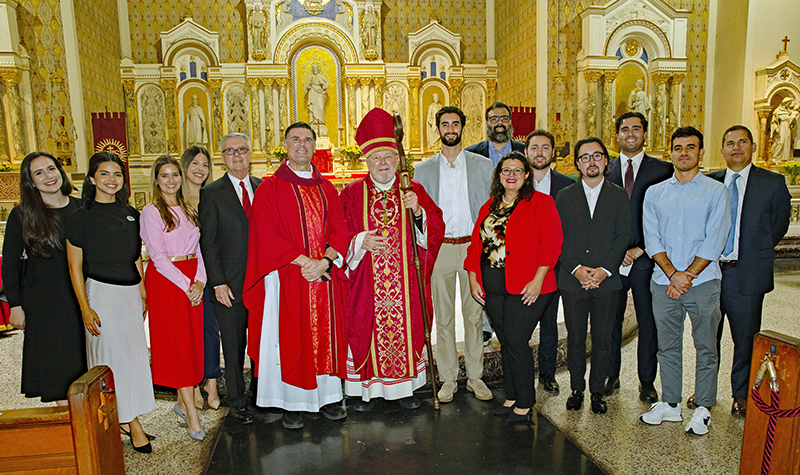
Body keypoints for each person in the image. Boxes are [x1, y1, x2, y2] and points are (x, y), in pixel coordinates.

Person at [243, 122, 349, 430]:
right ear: (286, 145)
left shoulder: (328, 188)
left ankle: (329, 397)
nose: (301, 144)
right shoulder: (269, 189)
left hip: (322, 277)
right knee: (288, 336)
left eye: (307, 140)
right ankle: (290, 402)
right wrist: (306, 262)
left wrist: (325, 260)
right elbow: (266, 234)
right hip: (286, 277)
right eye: (295, 139)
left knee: (324, 336)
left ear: (314, 146)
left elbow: (340, 228)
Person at [340, 107, 445, 411]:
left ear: (398, 160)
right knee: (366, 328)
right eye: (376, 158)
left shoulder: (413, 190)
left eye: (388, 157)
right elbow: (336, 234)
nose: (382, 163)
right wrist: (360, 240)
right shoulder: (351, 194)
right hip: (366, 282)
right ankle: (366, 393)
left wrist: (418, 213)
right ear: (367, 161)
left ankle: (406, 390)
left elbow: (435, 228)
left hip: (406, 284)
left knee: (407, 328)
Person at [639, 127, 730, 436]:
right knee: (667, 346)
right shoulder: (655, 193)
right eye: (678, 148)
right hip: (662, 281)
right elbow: (653, 239)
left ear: (701, 153)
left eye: (691, 148)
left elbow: (714, 239)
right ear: (671, 153)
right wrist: (672, 274)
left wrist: (686, 275)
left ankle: (703, 407)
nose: (684, 153)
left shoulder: (716, 191)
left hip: (702, 283)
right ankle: (672, 405)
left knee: (706, 347)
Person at [66, 152, 156, 453]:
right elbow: (74, 267)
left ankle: (130, 416)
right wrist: (85, 307)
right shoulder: (80, 216)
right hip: (101, 294)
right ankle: (131, 425)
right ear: (91, 179)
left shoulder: (131, 213)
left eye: (117, 174)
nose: (111, 180)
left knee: (133, 358)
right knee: (110, 360)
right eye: (104, 174)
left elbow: (135, 257)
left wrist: (142, 292)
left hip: (130, 294)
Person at [466, 151, 562, 423]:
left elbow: (552, 245)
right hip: (493, 287)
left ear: (526, 175)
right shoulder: (489, 206)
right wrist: (474, 277)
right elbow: (477, 246)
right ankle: (511, 394)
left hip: (529, 286)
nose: (511, 175)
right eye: (506, 170)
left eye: (517, 171)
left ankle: (525, 401)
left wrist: (537, 279)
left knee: (517, 341)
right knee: (506, 341)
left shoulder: (541, 203)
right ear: (498, 176)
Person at [706, 125, 791, 416]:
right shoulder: (711, 182)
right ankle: (705, 391)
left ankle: (741, 394)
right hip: (711, 274)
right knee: (707, 337)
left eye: (742, 142)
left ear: (752, 147)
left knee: (744, 339)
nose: (736, 147)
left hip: (746, 273)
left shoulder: (772, 183)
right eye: (730, 143)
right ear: (722, 150)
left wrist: (753, 252)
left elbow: (777, 226)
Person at [415, 105, 494, 404]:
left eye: (455, 124)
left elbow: (490, 209)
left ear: (463, 128)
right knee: (444, 318)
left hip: (472, 247)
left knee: (474, 315)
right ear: (437, 130)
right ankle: (448, 378)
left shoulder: (482, 166)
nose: (450, 129)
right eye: (445, 124)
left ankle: (475, 376)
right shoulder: (422, 170)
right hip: (441, 250)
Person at [2, 152, 87, 405]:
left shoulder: (81, 208)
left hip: (81, 296)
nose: (48, 176)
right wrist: (15, 305)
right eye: (38, 173)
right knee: (58, 368)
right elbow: (10, 264)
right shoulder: (22, 215)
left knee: (85, 360)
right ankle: (70, 425)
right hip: (44, 303)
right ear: (31, 182)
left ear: (61, 171)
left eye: (51, 169)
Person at [555, 137, 631, 414]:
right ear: (577, 163)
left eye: (597, 156)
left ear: (606, 161)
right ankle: (576, 388)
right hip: (572, 281)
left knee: (603, 338)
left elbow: (623, 236)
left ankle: (597, 390)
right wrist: (576, 269)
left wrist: (603, 270)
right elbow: (558, 238)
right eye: (585, 157)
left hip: (607, 281)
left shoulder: (618, 195)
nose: (591, 162)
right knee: (575, 338)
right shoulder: (564, 196)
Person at [605, 111, 673, 402]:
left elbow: (667, 216)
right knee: (610, 321)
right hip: (612, 261)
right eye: (624, 129)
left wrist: (642, 248)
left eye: (636, 129)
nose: (630, 134)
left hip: (648, 259)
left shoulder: (662, 170)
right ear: (617, 135)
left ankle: (647, 380)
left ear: (645, 134)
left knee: (648, 320)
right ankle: (611, 375)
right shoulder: (604, 169)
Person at [140, 155, 206, 440]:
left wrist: (201, 281)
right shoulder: (151, 212)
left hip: (192, 276)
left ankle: (182, 403)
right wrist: (186, 284)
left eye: (175, 175)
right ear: (156, 179)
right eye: (164, 175)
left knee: (191, 343)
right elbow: (157, 257)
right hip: (168, 281)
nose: (171, 180)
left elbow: (199, 249)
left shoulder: (190, 208)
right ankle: (192, 414)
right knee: (178, 345)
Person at [198, 133, 262, 425]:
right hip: (229, 285)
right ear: (222, 157)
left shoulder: (264, 188)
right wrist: (217, 282)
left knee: (261, 343)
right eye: (229, 151)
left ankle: (262, 395)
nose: (237, 155)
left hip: (262, 281)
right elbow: (207, 243)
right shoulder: (211, 193)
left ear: (251, 154)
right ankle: (237, 400)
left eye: (242, 150)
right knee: (234, 345)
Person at [525, 129, 575, 395]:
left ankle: (547, 373)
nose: (540, 153)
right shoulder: (515, 183)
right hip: (521, 266)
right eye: (534, 148)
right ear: (526, 152)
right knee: (521, 322)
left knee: (549, 321)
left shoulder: (567, 185)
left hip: (556, 265)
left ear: (553, 152)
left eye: (545, 148)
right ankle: (520, 373)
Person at [180, 146, 222, 411]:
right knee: (188, 332)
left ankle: (212, 382)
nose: (200, 170)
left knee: (211, 330)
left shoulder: (213, 196)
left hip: (213, 272)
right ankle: (192, 384)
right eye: (195, 164)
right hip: (187, 276)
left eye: (205, 165)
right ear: (185, 167)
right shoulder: (175, 199)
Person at [465, 101, 525, 167]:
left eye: (504, 119)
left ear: (510, 122)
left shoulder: (525, 151)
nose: (500, 122)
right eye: (494, 119)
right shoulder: (471, 153)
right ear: (486, 123)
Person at [769, 97, 799, 163]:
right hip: (781, 127)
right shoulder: (778, 110)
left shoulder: (789, 111)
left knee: (787, 142)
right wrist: (776, 128)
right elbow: (774, 121)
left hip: (788, 127)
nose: (790, 105)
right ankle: (775, 156)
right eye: (789, 103)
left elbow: (793, 119)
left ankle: (785, 159)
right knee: (781, 141)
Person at [305, 63, 329, 137]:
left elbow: (326, 85)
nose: (315, 70)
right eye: (314, 69)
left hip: (320, 94)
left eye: (316, 68)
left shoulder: (321, 76)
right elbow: (306, 86)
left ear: (318, 69)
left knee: (320, 107)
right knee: (313, 109)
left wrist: (322, 84)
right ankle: (314, 124)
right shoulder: (311, 77)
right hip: (312, 93)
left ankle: (321, 123)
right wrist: (310, 82)